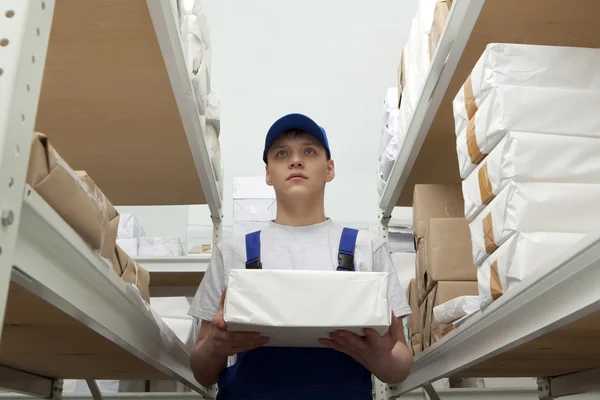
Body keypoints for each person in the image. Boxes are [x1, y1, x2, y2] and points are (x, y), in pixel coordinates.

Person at [188, 113, 413, 399]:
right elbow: (202, 372)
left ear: (329, 169)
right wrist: (214, 348)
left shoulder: (367, 249)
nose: (295, 160)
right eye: (282, 153)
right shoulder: (232, 252)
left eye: (309, 151)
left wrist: (383, 360)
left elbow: (401, 364)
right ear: (268, 174)